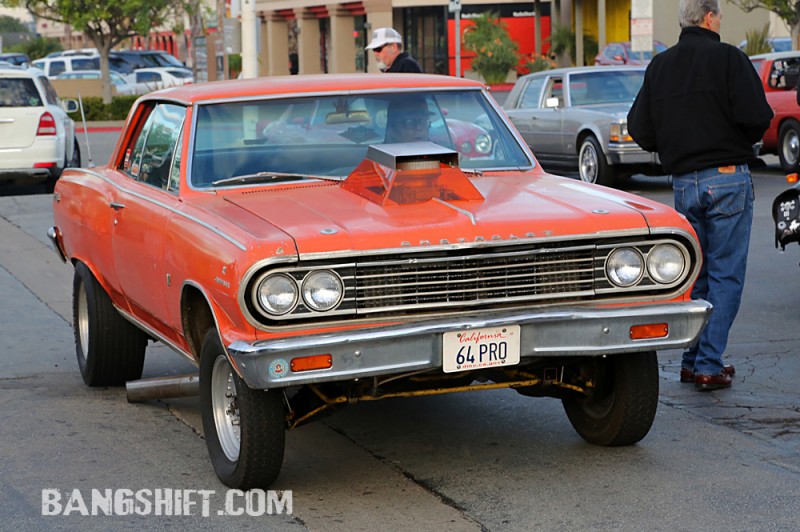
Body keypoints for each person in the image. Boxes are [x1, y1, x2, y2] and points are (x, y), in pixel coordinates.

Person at [627, 0, 773, 391]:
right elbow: (758, 117)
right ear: (710, 17)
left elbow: (639, 127)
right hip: (726, 178)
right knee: (726, 275)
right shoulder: (729, 59)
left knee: (698, 275)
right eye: (720, 15)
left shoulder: (660, 66)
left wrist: (672, 146)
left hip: (683, 183)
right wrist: (736, 139)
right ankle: (709, 363)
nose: (721, 21)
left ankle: (692, 361)